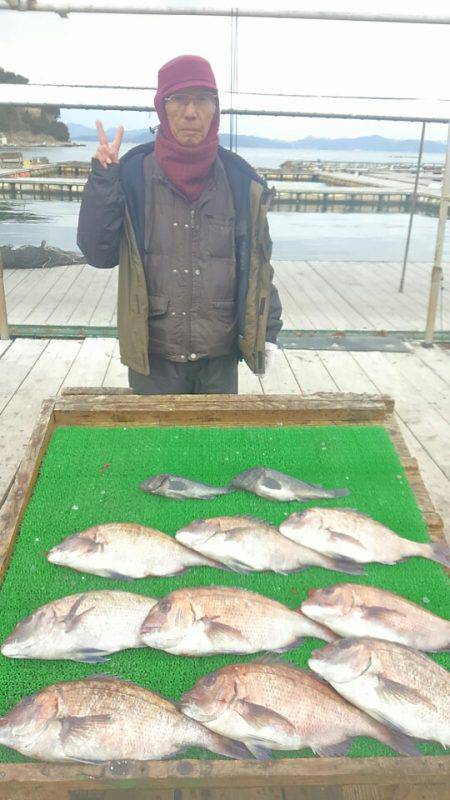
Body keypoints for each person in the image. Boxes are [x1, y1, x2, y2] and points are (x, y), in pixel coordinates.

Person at [77, 54, 282, 394]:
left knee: (217, 448)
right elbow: (98, 253)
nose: (191, 112)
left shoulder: (240, 180)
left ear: (215, 110)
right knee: (157, 447)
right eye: (179, 99)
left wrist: (269, 331)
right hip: (154, 358)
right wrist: (104, 180)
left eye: (202, 99)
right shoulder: (131, 173)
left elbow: (260, 264)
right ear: (162, 108)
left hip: (220, 360)